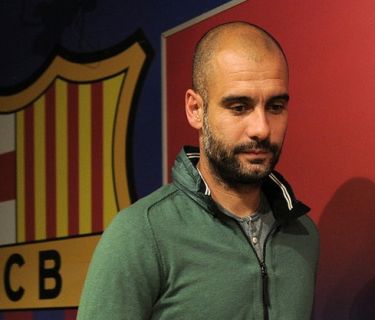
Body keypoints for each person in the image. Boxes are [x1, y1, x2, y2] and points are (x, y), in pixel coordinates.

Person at [77, 21, 319, 320]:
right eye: (239, 107)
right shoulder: (142, 234)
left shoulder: (303, 234)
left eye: (275, 106)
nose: (261, 128)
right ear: (195, 109)